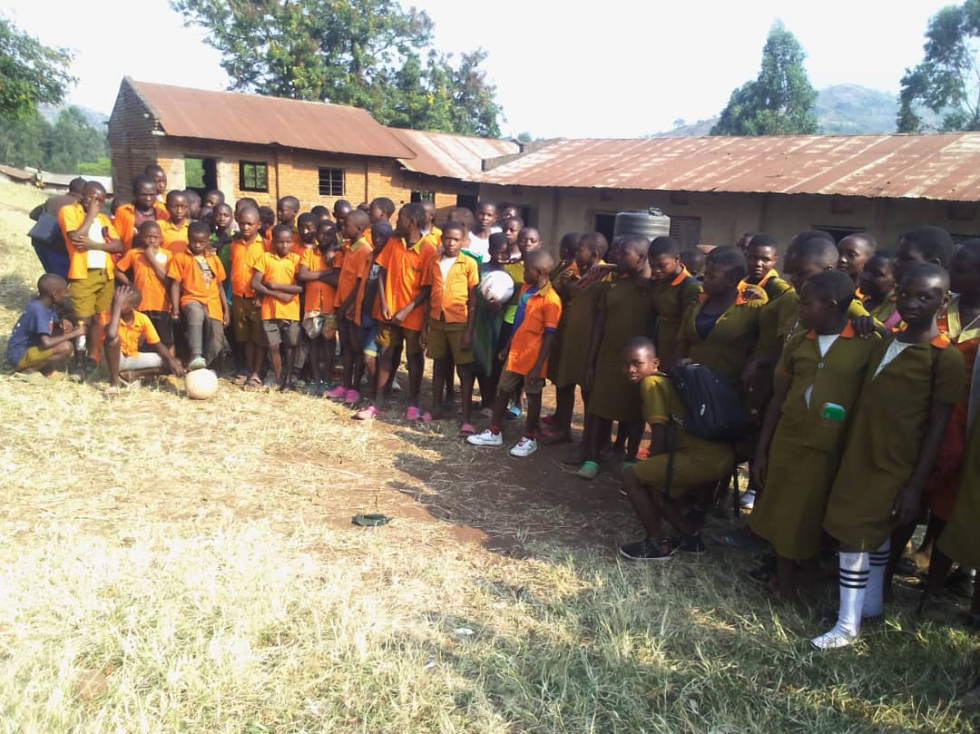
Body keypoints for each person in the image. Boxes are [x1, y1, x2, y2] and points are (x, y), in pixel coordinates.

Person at [813, 263, 964, 649]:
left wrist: (915, 486)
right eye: (906, 294)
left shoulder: (942, 357)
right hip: (861, 453)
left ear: (943, 301)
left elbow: (938, 426)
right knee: (874, 535)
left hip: (895, 462)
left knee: (855, 536)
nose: (912, 303)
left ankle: (846, 626)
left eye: (925, 297)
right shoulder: (887, 340)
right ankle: (871, 607)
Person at [749, 271, 881, 593]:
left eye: (806, 304)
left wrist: (872, 325)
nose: (800, 310)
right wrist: (762, 451)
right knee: (782, 510)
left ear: (833, 306)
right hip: (788, 442)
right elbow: (779, 398)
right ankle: (784, 580)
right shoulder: (798, 342)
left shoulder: (867, 344)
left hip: (830, 448)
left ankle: (803, 577)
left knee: (809, 515)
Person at [901, 240, 980, 583]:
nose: (951, 275)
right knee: (915, 485)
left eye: (959, 269)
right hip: (921, 416)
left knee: (953, 497)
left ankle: (935, 556)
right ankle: (901, 551)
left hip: (968, 423)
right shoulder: (940, 306)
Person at [618, 337, 735, 561]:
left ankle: (657, 544)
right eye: (625, 364)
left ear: (655, 363)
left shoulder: (650, 384)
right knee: (656, 486)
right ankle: (690, 539)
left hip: (702, 458)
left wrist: (653, 472)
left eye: (637, 363)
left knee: (631, 476)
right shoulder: (666, 381)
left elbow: (659, 432)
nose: (630, 369)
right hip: (719, 457)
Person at [467, 250, 561, 457]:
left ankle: (529, 437)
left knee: (534, 397)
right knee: (502, 390)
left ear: (539, 272)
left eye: (527, 269)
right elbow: (519, 322)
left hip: (533, 358)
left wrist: (538, 365)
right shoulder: (526, 289)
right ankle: (494, 431)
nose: (523, 272)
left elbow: (550, 336)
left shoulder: (551, 300)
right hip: (515, 355)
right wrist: (506, 347)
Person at [578, 235, 656, 479]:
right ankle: (592, 458)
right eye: (615, 253)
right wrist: (590, 362)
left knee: (634, 411)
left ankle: (629, 459)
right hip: (609, 357)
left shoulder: (652, 288)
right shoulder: (610, 283)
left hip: (639, 364)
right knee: (598, 408)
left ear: (641, 258)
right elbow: (599, 325)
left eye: (623, 254)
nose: (615, 257)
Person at [354, 204, 436, 420]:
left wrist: (407, 309)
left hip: (413, 316)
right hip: (388, 313)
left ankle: (413, 403)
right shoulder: (393, 243)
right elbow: (381, 273)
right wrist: (383, 302)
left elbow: (427, 288)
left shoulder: (428, 250)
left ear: (411, 222)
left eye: (400, 218)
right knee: (386, 354)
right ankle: (378, 401)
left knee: (414, 357)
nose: (396, 222)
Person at [546, 233, 611, 447]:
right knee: (564, 385)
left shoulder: (606, 276)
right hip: (568, 338)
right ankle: (563, 429)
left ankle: (591, 440)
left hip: (588, 342)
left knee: (588, 391)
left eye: (581, 249)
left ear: (594, 253)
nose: (577, 252)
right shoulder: (573, 271)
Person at [421, 221, 479, 429]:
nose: (451, 243)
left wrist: (469, 330)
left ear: (463, 241)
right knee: (438, 368)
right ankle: (437, 409)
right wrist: (424, 328)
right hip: (437, 322)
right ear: (441, 238)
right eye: (447, 238)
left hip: (459, 323)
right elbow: (429, 296)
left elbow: (473, 299)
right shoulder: (434, 262)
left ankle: (466, 418)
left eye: (456, 239)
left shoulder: (469, 264)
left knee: (463, 371)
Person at [58, 180, 122, 368]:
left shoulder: (103, 220)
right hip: (83, 274)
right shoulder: (69, 212)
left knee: (99, 317)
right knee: (81, 320)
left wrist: (94, 245)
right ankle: (78, 360)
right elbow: (76, 238)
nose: (95, 203)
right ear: (82, 196)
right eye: (92, 198)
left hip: (105, 274)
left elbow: (118, 245)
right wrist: (91, 215)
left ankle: (93, 356)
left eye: (100, 201)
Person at [677, 246, 761, 389]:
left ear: (731, 280)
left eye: (712, 276)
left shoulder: (752, 306)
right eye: (705, 274)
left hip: (729, 389)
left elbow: (759, 347)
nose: (704, 279)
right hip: (692, 384)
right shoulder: (698, 302)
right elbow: (681, 344)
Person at [168, 221, 229, 371]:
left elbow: (220, 285)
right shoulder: (181, 257)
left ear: (208, 241)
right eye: (194, 241)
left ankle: (198, 367)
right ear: (188, 239)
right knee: (196, 313)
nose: (197, 245)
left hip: (213, 302)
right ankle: (196, 354)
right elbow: (175, 284)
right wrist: (175, 307)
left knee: (216, 341)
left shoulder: (214, 259)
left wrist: (226, 310)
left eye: (201, 242)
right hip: (191, 299)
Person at [104, 285, 184, 396]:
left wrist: (171, 360)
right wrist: (117, 307)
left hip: (131, 358)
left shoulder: (142, 319)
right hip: (111, 362)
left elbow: (158, 345)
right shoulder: (110, 315)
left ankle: (132, 375)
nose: (115, 305)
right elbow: (111, 335)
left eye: (120, 303)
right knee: (113, 340)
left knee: (175, 363)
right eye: (115, 301)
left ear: (134, 306)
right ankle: (114, 382)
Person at [251, 224, 303, 391]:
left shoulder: (296, 260)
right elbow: (255, 283)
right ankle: (278, 377)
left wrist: (274, 285)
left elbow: (300, 288)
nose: (285, 245)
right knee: (273, 346)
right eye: (281, 242)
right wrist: (277, 294)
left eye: (288, 242)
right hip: (270, 310)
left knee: (290, 345)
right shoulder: (265, 258)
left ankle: (288, 380)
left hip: (291, 311)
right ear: (274, 242)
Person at [330, 210, 373, 404]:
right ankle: (344, 384)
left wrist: (345, 306)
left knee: (356, 349)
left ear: (359, 229)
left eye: (347, 225)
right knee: (346, 347)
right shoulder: (348, 247)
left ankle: (355, 387)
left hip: (351, 308)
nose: (343, 228)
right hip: (341, 305)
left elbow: (358, 283)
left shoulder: (364, 251)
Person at [114, 221, 175, 356]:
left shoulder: (167, 255)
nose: (152, 240)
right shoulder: (134, 254)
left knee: (166, 338)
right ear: (141, 237)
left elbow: (167, 279)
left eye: (155, 237)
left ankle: (170, 367)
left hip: (162, 304)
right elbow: (117, 270)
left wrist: (152, 258)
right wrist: (131, 285)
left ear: (161, 238)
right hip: (141, 304)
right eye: (148, 236)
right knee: (141, 337)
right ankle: (141, 364)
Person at [6, 274, 82, 377]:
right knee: (66, 347)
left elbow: (48, 324)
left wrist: (60, 322)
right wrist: (75, 333)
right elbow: (46, 343)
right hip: (20, 355)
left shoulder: (44, 305)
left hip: (28, 349)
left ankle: (42, 366)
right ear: (55, 295)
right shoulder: (39, 310)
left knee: (64, 331)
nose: (66, 296)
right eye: (64, 292)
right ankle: (28, 371)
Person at [298, 219, 341, 394]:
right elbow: (302, 275)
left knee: (329, 345)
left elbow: (337, 280)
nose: (324, 237)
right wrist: (326, 273)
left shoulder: (338, 255)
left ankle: (327, 380)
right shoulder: (309, 253)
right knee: (314, 344)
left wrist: (314, 275)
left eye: (329, 234)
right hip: (312, 306)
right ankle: (316, 380)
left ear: (335, 236)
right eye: (321, 233)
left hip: (330, 308)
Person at [649, 236, 703, 370]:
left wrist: (678, 356)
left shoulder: (690, 287)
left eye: (661, 265)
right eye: (652, 266)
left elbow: (688, 327)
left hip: (676, 348)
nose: (656, 270)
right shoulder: (660, 280)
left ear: (677, 260)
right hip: (659, 342)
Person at [229, 207, 267, 389]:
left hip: (256, 298)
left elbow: (268, 273)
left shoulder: (265, 245)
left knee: (258, 337)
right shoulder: (234, 245)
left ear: (258, 225)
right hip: (238, 297)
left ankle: (256, 373)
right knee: (245, 337)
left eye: (250, 224)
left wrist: (261, 294)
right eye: (242, 223)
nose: (245, 227)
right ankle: (249, 369)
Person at [27, 176, 83, 279]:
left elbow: (33, 214)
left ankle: (46, 292)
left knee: (51, 276)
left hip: (39, 241)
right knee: (60, 280)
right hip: (56, 246)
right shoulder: (78, 205)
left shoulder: (53, 200)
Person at [112, 175, 165, 254]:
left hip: (157, 260)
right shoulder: (123, 212)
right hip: (129, 258)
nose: (148, 198)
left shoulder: (163, 212)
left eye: (152, 195)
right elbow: (116, 238)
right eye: (144, 194)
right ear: (135, 193)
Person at [859, 251, 902, 331]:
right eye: (864, 269)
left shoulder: (900, 313)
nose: (864, 277)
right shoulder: (858, 302)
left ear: (897, 279)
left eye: (876, 274)